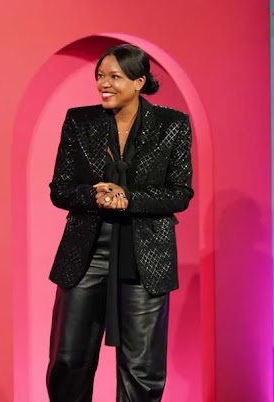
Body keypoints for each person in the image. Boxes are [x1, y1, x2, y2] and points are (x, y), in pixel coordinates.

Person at [45, 43, 194, 401]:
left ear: (139, 81)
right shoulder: (80, 122)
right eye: (100, 76)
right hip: (86, 252)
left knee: (141, 369)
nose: (103, 84)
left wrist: (129, 198)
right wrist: (93, 196)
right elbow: (60, 189)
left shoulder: (172, 126)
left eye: (114, 77)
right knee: (68, 360)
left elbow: (180, 193)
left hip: (146, 257)